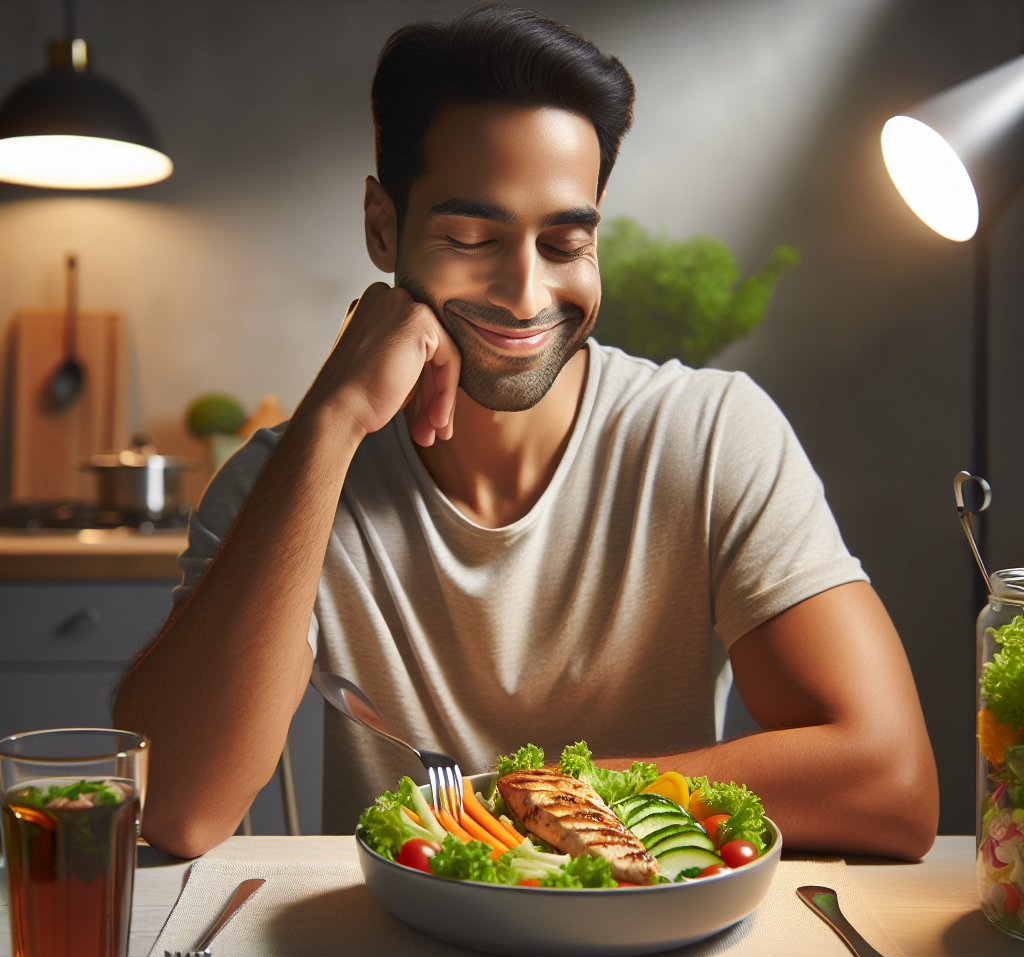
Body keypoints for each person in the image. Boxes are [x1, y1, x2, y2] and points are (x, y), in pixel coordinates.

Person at [114, 4, 938, 861]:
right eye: (472, 236)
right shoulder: (282, 480)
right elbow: (174, 806)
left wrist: (554, 806)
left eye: (564, 241)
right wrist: (330, 422)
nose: (524, 293)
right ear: (382, 226)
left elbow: (892, 783)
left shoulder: (712, 433)